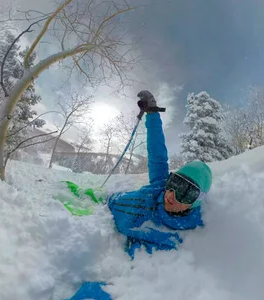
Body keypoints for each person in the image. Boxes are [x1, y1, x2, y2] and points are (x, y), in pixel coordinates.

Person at [66, 90, 213, 299]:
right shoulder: (160, 186)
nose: (172, 195)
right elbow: (157, 153)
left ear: (196, 202)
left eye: (187, 194)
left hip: (118, 228)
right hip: (114, 200)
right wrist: (152, 114)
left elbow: (146, 276)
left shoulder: (177, 235)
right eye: (175, 183)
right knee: (96, 195)